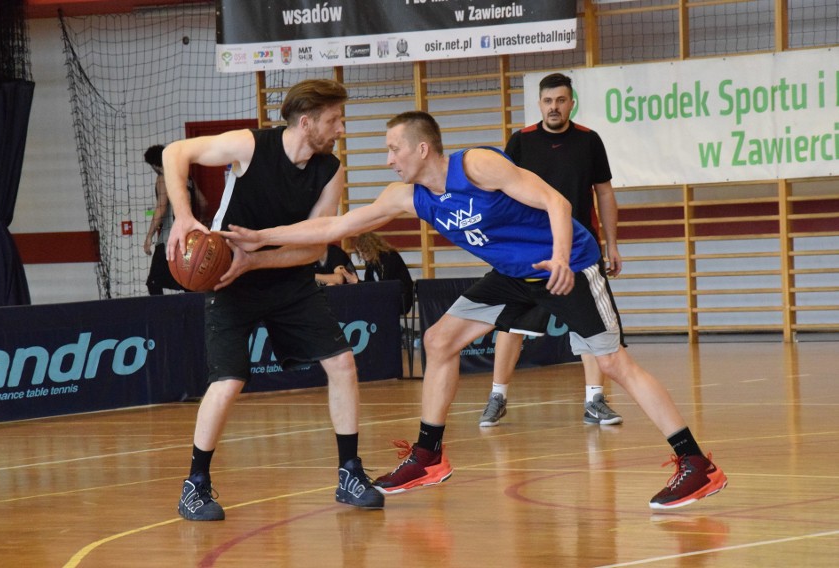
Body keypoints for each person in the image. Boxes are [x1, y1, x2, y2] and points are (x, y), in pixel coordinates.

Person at [220, 111, 728, 511]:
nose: (389, 160)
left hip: (566, 261)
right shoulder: (410, 196)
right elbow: (333, 227)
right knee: (438, 341)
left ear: (422, 148)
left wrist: (558, 255)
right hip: (513, 275)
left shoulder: (477, 166)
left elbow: (556, 202)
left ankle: (696, 463)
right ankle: (427, 456)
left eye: (394, 149)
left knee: (615, 364)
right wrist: (262, 239)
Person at [162, 79, 384, 521]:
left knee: (342, 363)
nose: (340, 128)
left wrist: (256, 261)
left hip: (287, 279)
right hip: (227, 280)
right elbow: (175, 152)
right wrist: (184, 216)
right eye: (334, 120)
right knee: (228, 380)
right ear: (307, 122)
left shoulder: (331, 169)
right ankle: (195, 485)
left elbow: (315, 246)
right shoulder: (250, 146)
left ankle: (349, 473)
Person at [480, 72, 625, 428]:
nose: (554, 107)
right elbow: (501, 193)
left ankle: (595, 400)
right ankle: (497, 396)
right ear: (540, 104)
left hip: (579, 252)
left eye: (560, 100)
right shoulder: (521, 142)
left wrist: (612, 243)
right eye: (548, 101)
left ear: (571, 102)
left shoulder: (589, 141)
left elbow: (604, 193)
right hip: (531, 251)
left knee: (590, 327)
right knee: (511, 326)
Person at [142, 144, 207, 295]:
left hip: (170, 237)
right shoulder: (186, 177)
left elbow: (161, 207)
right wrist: (202, 221)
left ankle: (162, 317)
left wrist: (149, 236)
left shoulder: (163, 178)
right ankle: (194, 314)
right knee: (187, 279)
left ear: (156, 165)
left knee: (154, 282)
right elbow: (204, 203)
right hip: (191, 236)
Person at [353, 232, 414, 314]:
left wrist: (357, 282)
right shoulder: (371, 262)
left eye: (364, 252)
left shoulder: (389, 257)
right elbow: (370, 284)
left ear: (372, 248)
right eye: (359, 252)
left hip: (400, 298)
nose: (361, 256)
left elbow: (384, 285)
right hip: (386, 296)